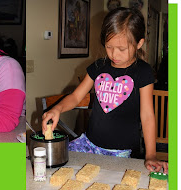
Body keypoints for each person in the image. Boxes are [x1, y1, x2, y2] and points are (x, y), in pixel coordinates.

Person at [42, 7, 168, 173]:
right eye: (109, 47)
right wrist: (57, 108)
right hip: (89, 144)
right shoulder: (98, 66)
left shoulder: (143, 72)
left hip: (123, 151)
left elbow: (147, 115)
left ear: (139, 43)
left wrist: (151, 154)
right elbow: (75, 97)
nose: (114, 54)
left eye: (122, 49)